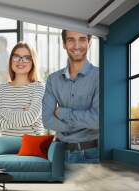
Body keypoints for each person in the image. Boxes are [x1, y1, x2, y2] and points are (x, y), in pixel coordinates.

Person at [42, 30, 99, 163]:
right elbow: (47, 120)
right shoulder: (53, 79)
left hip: (92, 154)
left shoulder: (99, 77)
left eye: (82, 39)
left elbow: (97, 120)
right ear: (64, 44)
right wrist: (82, 125)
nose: (77, 45)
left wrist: (62, 113)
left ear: (89, 42)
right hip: (59, 154)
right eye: (71, 40)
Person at [0, 42, 45, 136]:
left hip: (33, 148)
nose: (20, 61)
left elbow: (29, 118)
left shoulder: (39, 88)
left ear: (33, 62)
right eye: (16, 57)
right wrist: (23, 118)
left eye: (26, 58)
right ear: (11, 60)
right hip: (6, 148)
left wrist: (2, 112)